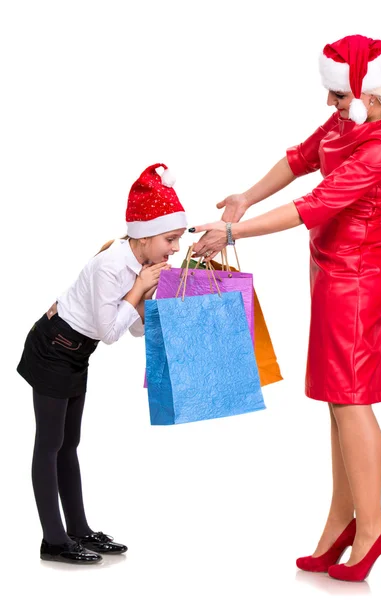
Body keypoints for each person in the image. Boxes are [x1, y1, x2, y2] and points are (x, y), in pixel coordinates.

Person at [189, 35, 381, 583]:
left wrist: (232, 231)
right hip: (333, 270)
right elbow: (300, 159)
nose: (331, 106)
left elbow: (314, 205)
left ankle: (374, 527)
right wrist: (245, 196)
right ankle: (343, 521)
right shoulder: (348, 123)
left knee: (352, 399)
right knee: (338, 399)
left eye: (339, 96)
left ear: (370, 91)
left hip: (361, 276)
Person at [17, 163, 187, 564]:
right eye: (171, 238)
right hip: (53, 347)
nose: (175, 248)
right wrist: (140, 289)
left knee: (69, 444)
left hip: (76, 353)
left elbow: (132, 330)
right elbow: (110, 332)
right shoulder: (111, 267)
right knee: (50, 444)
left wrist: (154, 299)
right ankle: (53, 540)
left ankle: (78, 530)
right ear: (144, 236)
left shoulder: (141, 265)